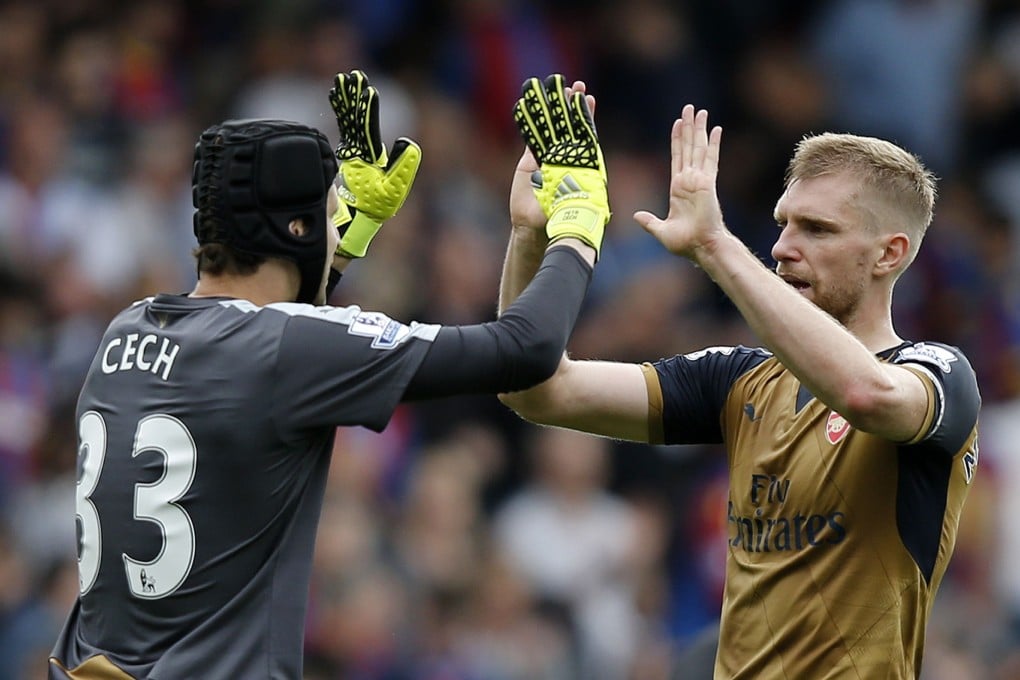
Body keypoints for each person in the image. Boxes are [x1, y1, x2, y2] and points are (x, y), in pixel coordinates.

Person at [47, 70, 610, 679]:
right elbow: (525, 348)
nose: (338, 216)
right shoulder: (284, 350)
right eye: (328, 207)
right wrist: (577, 218)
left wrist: (342, 241)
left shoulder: (127, 330)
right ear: (296, 230)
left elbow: (262, 350)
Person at [499, 98, 981, 678]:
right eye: (783, 225)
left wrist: (714, 245)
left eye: (817, 229)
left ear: (889, 253)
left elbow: (866, 396)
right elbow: (536, 390)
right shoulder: (738, 378)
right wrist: (531, 235)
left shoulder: (937, 374)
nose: (781, 247)